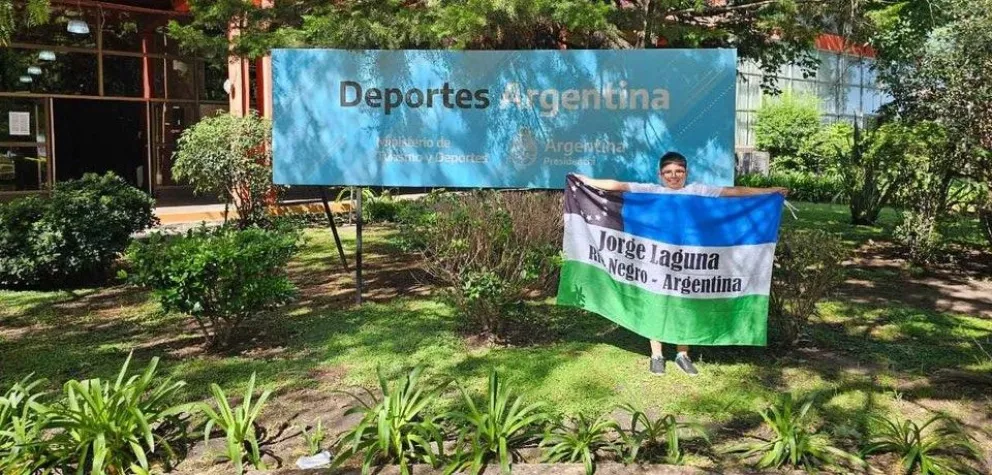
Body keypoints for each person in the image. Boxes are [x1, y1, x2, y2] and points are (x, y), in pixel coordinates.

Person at [574, 151, 787, 377]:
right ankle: (656, 354)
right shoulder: (652, 191)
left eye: (679, 172)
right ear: (660, 174)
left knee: (685, 304)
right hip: (656, 259)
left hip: (689, 262)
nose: (673, 176)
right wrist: (585, 181)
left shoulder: (698, 191)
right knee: (653, 301)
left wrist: (769, 192)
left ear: (686, 172)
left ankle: (682, 354)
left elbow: (733, 192)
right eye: (668, 172)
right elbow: (618, 186)